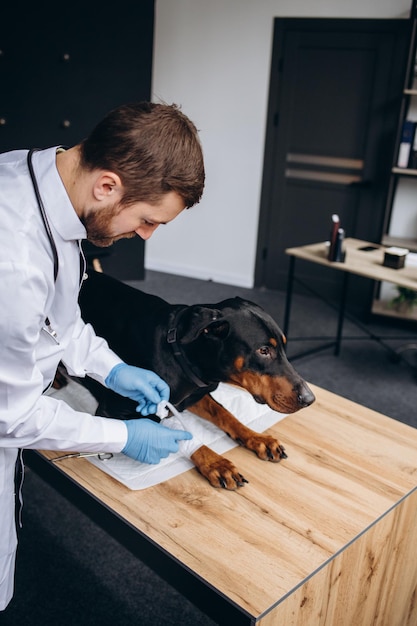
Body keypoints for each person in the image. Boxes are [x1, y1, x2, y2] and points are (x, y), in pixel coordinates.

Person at [0, 101, 205, 610]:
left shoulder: (48, 179)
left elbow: (58, 320)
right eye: (148, 219)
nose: (145, 235)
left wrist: (112, 368)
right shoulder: (14, 258)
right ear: (108, 186)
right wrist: (123, 436)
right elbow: (11, 413)